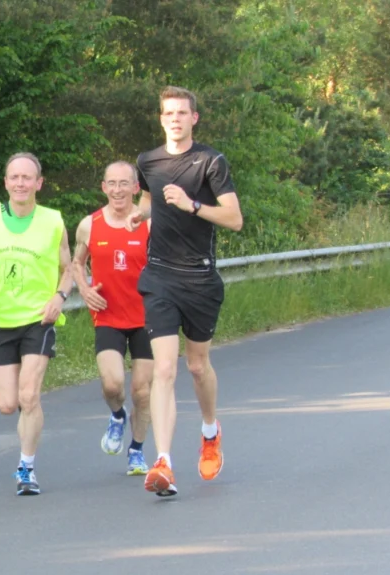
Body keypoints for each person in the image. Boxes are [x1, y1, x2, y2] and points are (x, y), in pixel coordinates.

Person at [126, 86, 244, 497]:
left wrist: (191, 204)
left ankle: (210, 431)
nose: (174, 118)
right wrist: (139, 215)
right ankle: (163, 462)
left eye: (182, 112)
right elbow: (147, 196)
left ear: (194, 118)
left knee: (197, 367)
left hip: (199, 278)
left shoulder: (210, 161)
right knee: (163, 369)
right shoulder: (148, 160)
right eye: (168, 113)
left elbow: (234, 219)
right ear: (160, 119)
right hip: (159, 277)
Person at [0, 152, 72, 495]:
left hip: (38, 319)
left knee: (29, 396)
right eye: (15, 177)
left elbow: (68, 267)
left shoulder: (54, 221)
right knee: (7, 404)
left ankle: (26, 467)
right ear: (6, 182)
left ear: (39, 183)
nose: (21, 183)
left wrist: (59, 297)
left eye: (28, 177)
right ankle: (26, 441)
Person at [72, 161, 154, 476]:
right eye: (112, 183)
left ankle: (136, 451)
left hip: (146, 316)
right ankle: (117, 415)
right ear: (104, 187)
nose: (118, 190)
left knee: (143, 391)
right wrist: (84, 288)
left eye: (125, 183)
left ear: (136, 188)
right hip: (107, 315)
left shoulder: (149, 225)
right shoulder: (89, 225)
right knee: (112, 384)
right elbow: (77, 263)